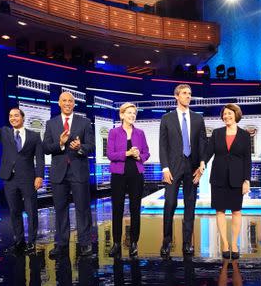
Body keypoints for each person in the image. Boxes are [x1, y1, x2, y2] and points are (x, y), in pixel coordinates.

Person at [0, 88, 44, 255]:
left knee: (31, 211)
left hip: (28, 178)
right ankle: (19, 241)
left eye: (16, 116)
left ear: (23, 118)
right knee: (14, 211)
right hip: (9, 178)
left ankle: (31, 242)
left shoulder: (34, 136)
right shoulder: (5, 133)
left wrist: (39, 176)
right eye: (10, 116)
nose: (13, 118)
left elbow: (40, 158)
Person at [43, 91, 95, 260]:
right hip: (59, 173)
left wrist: (80, 146)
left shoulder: (85, 122)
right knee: (60, 209)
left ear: (74, 104)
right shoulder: (51, 124)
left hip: (78, 170)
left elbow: (91, 146)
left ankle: (85, 242)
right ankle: (62, 243)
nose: (67, 103)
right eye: (64, 100)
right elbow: (46, 148)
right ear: (59, 103)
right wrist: (60, 143)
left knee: (83, 209)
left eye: (70, 101)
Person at [159, 84, 206, 258]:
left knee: (190, 204)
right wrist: (164, 168)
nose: (188, 96)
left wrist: (202, 163)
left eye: (190, 94)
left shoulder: (198, 118)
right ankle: (166, 241)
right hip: (172, 168)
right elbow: (163, 145)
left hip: (192, 168)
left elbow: (203, 143)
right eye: (185, 93)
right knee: (170, 203)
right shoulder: (167, 118)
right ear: (176, 96)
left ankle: (187, 243)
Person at [203, 103, 251, 259]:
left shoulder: (244, 135)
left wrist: (246, 180)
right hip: (218, 177)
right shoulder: (217, 133)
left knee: (236, 211)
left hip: (237, 178)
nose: (226, 116)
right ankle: (224, 243)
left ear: (236, 115)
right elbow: (209, 152)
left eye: (230, 113)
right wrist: (202, 162)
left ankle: (235, 243)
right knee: (220, 211)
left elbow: (247, 159)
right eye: (224, 114)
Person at [106, 102, 150, 258]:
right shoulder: (114, 132)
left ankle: (133, 243)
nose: (132, 115)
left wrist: (139, 156)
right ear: (121, 115)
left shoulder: (140, 133)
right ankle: (116, 243)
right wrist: (127, 153)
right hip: (118, 175)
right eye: (129, 112)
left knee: (135, 209)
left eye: (134, 113)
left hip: (136, 174)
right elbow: (110, 155)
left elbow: (146, 153)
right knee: (117, 209)